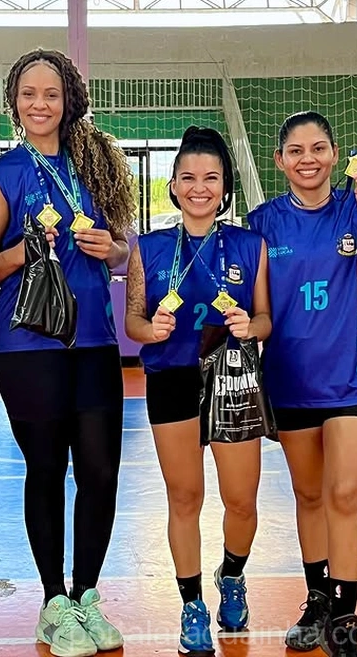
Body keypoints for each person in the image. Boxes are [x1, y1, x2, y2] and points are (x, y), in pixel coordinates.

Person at [0, 49, 136, 657]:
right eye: (28, 93)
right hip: (27, 343)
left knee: (99, 471)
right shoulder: (2, 175)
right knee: (46, 468)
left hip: (95, 338)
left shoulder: (96, 165)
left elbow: (124, 253)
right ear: (14, 102)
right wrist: (28, 249)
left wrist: (110, 250)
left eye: (51, 92)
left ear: (69, 99)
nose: (39, 104)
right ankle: (53, 603)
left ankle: (87, 595)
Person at [246, 111, 357, 657]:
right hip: (289, 381)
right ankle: (317, 601)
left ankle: (344, 622)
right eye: (296, 150)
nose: (308, 159)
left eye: (318, 148)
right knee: (309, 495)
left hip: (356, 378)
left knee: (344, 492)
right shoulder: (263, 222)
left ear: (334, 155)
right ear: (281, 160)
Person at [123, 126, 271, 656]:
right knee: (184, 497)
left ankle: (232, 576)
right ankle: (191, 606)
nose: (199, 187)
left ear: (225, 184)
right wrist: (150, 332)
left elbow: (265, 319)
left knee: (242, 500)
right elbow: (135, 322)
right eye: (188, 177)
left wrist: (251, 328)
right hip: (170, 380)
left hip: (233, 378)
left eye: (211, 177)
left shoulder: (250, 245)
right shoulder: (150, 248)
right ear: (173, 186)